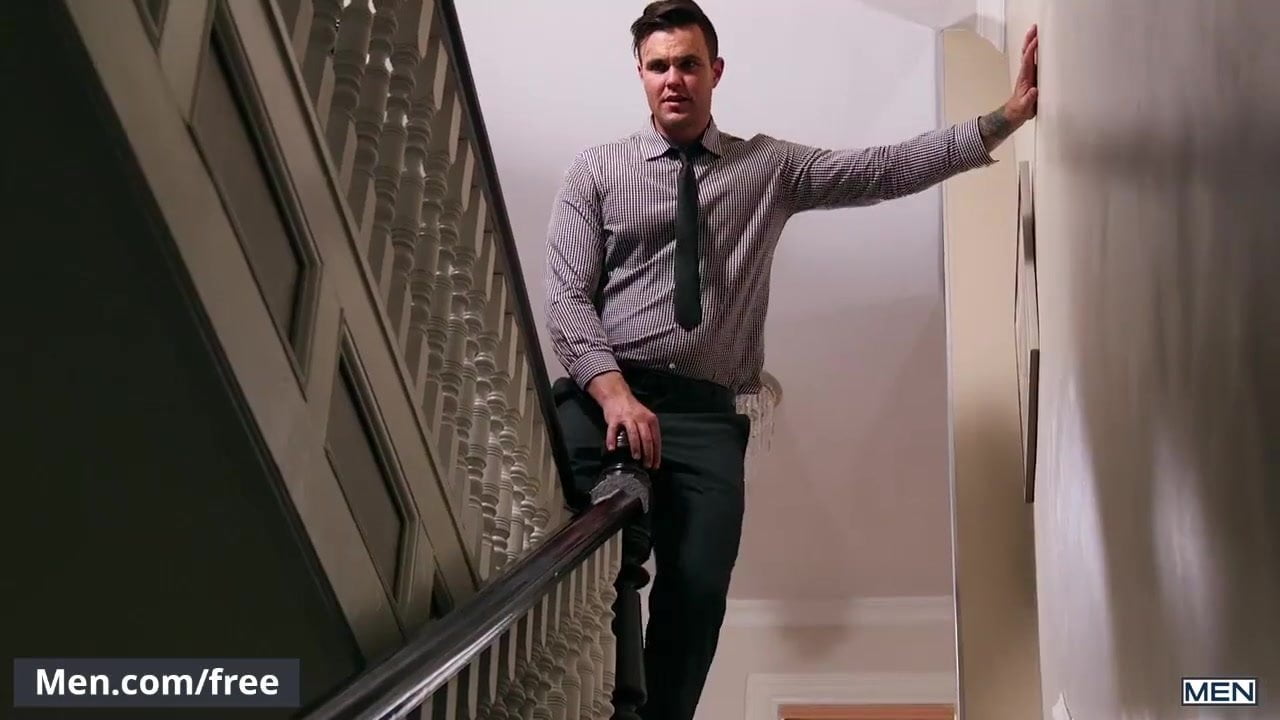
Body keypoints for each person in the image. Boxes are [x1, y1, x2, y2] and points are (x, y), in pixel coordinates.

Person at [544, 2, 1039, 718]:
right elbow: (566, 297)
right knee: (587, 565)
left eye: (688, 64)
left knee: (700, 591)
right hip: (606, 401)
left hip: (706, 419)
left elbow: (879, 170)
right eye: (659, 66)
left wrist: (1003, 119)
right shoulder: (596, 170)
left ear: (715, 72)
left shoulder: (767, 168)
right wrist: (615, 393)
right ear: (641, 75)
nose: (673, 78)